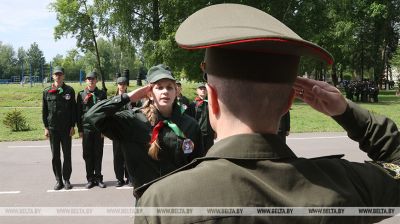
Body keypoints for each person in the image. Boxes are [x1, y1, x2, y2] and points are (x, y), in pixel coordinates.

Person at [135, 4, 400, 223]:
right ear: (288, 103)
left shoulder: (163, 204)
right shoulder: (343, 185)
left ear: (212, 99)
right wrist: (345, 112)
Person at [84, 64, 204, 197]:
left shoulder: (190, 125)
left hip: (179, 201)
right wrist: (126, 97)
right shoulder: (133, 120)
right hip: (146, 203)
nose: (165, 91)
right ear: (150, 93)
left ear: (176, 92)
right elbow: (92, 116)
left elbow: (198, 168)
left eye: (169, 87)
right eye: (159, 87)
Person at [42, 66, 76, 190]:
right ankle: (58, 180)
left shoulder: (69, 90)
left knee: (67, 155)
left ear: (63, 76)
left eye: (60, 74)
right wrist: (46, 127)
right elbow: (44, 111)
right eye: (56, 74)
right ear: (53, 76)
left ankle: (67, 179)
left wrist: (73, 126)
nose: (58, 76)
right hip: (53, 129)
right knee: (55, 156)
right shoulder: (46, 91)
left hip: (66, 129)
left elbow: (73, 110)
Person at [76, 71, 107, 189]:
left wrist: (104, 129)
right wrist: (80, 129)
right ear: (86, 81)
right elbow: (78, 113)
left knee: (98, 153)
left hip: (99, 128)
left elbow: (105, 113)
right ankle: (90, 178)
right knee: (88, 154)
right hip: (87, 129)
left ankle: (98, 178)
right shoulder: (81, 95)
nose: (91, 80)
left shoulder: (102, 94)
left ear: (96, 80)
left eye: (93, 78)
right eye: (89, 79)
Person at [113, 76, 133, 187]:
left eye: (124, 84)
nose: (122, 86)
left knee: (129, 154)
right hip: (116, 131)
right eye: (120, 84)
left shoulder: (131, 98)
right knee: (117, 156)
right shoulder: (113, 99)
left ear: (126, 86)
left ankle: (129, 177)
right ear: (117, 85)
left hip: (128, 130)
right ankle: (119, 179)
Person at [186, 83, 215, 152]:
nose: (203, 90)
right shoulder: (193, 105)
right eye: (201, 89)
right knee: (199, 153)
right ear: (197, 91)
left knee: (209, 153)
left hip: (209, 134)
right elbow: (189, 120)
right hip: (198, 134)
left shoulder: (210, 103)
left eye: (204, 89)